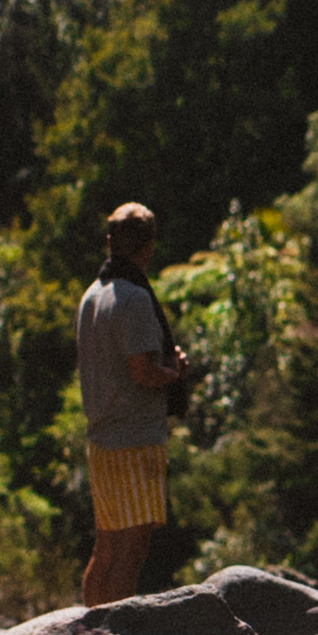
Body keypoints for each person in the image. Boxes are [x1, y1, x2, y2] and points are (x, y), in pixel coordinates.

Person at [73, 201, 198, 604]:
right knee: (133, 544)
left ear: (110, 242)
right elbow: (142, 371)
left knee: (106, 544)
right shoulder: (135, 299)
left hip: (101, 436)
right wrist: (174, 371)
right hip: (135, 436)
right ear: (149, 246)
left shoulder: (92, 296)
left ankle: (89, 627)